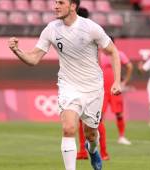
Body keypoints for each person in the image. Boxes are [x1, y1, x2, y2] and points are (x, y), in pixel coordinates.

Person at [8, 0, 122, 169]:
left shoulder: (91, 28)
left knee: (91, 135)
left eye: (60, 2)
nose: (55, 6)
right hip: (68, 86)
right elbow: (33, 59)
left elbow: (112, 51)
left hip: (93, 88)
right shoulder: (51, 29)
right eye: (55, 2)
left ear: (73, 6)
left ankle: (92, 151)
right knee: (69, 129)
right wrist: (17, 50)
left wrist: (117, 81)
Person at [77, 37, 133, 160]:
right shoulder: (95, 53)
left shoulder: (117, 54)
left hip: (110, 89)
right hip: (95, 89)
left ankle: (108, 148)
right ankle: (83, 151)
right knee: (87, 119)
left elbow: (129, 66)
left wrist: (122, 82)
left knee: (110, 116)